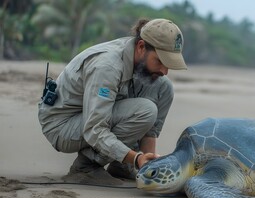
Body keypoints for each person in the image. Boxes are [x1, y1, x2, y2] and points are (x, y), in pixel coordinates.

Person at [38, 18, 187, 185]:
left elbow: (149, 132)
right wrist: (136, 158)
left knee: (163, 87)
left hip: (88, 117)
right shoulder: (107, 67)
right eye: (160, 61)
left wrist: (150, 168)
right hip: (62, 124)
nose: (164, 71)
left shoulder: (136, 57)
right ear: (141, 47)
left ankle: (121, 165)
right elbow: (94, 129)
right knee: (145, 111)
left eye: (169, 64)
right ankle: (86, 168)